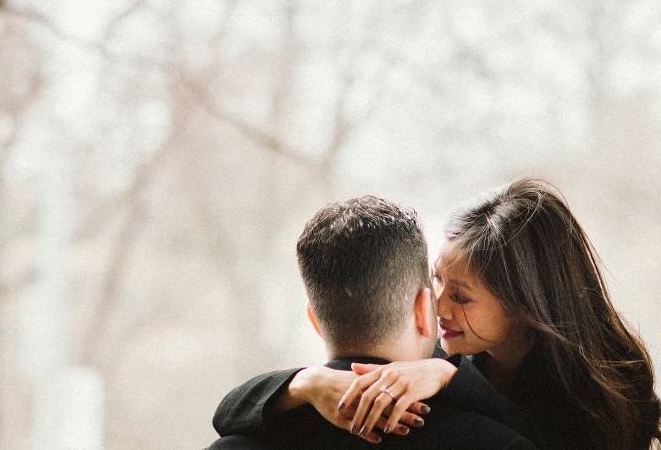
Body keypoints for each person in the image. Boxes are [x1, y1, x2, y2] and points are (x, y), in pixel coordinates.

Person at [212, 179, 661, 450]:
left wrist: (449, 379)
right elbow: (228, 413)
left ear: (526, 305)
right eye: (437, 281)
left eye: (461, 297)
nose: (436, 304)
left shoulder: (602, 395)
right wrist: (307, 382)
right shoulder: (439, 367)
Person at [207, 195, 540, 450]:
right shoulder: (498, 440)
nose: (443, 307)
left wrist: (304, 384)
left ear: (315, 319)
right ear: (422, 309)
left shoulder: (236, 443)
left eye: (461, 296)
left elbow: (224, 416)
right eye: (437, 287)